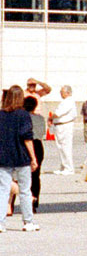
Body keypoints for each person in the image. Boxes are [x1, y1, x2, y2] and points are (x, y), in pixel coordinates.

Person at [0, 86, 41, 231]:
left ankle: (0, 223)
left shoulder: (1, 115)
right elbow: (27, 138)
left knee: (3, 189)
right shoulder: (23, 115)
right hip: (21, 156)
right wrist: (33, 157)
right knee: (25, 190)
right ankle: (28, 221)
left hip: (3, 156)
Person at [22, 93, 46, 211]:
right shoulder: (40, 118)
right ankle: (35, 200)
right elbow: (42, 133)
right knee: (36, 175)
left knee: (20, 175)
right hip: (38, 144)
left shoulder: (21, 118)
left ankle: (11, 204)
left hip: (25, 145)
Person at [49, 85, 79, 176]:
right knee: (61, 147)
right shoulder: (65, 102)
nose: (60, 93)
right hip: (60, 126)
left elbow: (58, 113)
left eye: (62, 92)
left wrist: (50, 118)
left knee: (66, 147)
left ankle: (69, 168)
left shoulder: (68, 102)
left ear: (68, 93)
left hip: (65, 126)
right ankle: (63, 166)